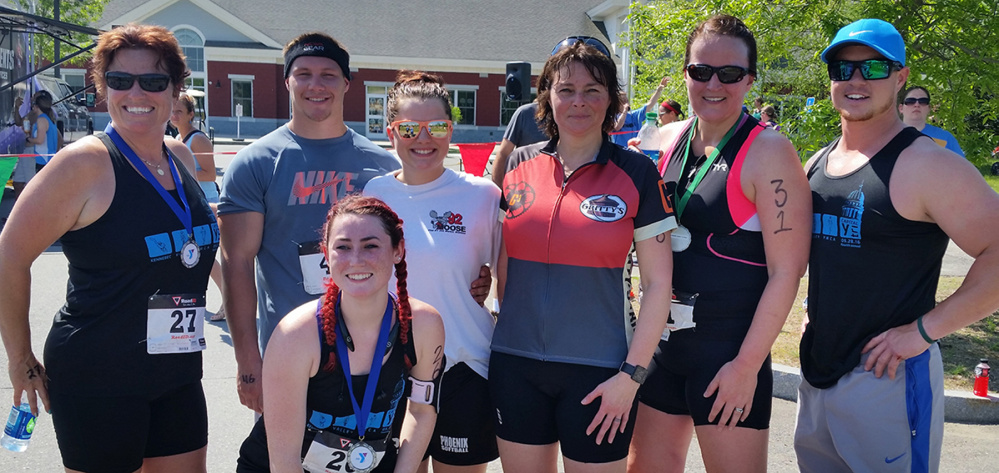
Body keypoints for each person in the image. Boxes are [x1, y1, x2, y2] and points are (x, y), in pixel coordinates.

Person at [218, 32, 491, 415]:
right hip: (290, 352)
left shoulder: (383, 168)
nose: (316, 85)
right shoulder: (255, 162)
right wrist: (248, 362)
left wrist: (473, 276)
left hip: (375, 356)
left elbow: (416, 241)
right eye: (304, 74)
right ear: (287, 81)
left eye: (328, 74)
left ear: (347, 83)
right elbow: (236, 265)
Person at [0, 23, 216, 472]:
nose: (136, 92)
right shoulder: (84, 164)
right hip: (99, 375)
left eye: (153, 81)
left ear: (176, 89)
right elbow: (10, 255)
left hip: (177, 369)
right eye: (120, 80)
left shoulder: (180, 157)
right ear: (102, 86)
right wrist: (20, 358)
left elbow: (195, 245)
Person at [795, 19, 999, 472]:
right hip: (817, 373)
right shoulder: (817, 163)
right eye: (842, 69)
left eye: (874, 68)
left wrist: (924, 331)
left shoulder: (929, 164)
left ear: (901, 76)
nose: (856, 80)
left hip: (887, 378)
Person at [627, 15, 811, 473]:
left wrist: (747, 366)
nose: (714, 84)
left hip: (727, 353)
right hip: (665, 348)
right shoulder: (671, 140)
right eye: (700, 71)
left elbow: (787, 271)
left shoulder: (769, 152)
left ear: (750, 79)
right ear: (686, 72)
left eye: (730, 74)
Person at [489, 38, 676, 473]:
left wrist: (631, 377)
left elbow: (659, 286)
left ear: (611, 100)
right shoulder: (518, 162)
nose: (579, 101)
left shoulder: (637, 173)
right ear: (547, 97)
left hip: (599, 372)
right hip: (515, 364)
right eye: (566, 89)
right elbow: (503, 263)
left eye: (593, 90)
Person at [236, 195, 445, 473]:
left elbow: (420, 411)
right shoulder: (296, 335)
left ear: (398, 250)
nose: (356, 260)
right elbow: (283, 461)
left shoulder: (424, 325)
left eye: (370, 246)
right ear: (326, 254)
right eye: (343, 247)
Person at [364, 71, 503, 473]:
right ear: (391, 131)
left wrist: (482, 284)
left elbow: (510, 272)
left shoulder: (482, 196)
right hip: (389, 367)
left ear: (451, 130)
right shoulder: (373, 195)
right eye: (409, 127)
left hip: (463, 365)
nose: (423, 139)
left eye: (436, 126)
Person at [171, 92, 225, 321]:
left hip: (205, 203)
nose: (174, 116)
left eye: (179, 112)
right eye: (171, 111)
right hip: (187, 203)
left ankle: (229, 300)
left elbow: (211, 173)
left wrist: (178, 172)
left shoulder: (198, 139)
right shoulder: (178, 138)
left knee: (204, 256)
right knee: (189, 254)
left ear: (191, 115)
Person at [490, 101, 547, 188]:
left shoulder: (570, 116)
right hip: (527, 187)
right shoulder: (525, 114)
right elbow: (503, 153)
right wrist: (498, 192)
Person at [899, 86, 965, 157]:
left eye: (923, 101)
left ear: (929, 108)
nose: (917, 105)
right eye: (910, 101)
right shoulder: (889, 137)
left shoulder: (945, 138)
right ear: (901, 108)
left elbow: (962, 167)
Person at [610, 76, 670, 148]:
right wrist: (625, 110)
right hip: (619, 151)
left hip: (635, 150)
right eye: (623, 101)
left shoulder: (635, 115)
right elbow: (617, 127)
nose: (626, 103)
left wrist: (659, 89)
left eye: (627, 100)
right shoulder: (612, 116)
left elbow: (650, 104)